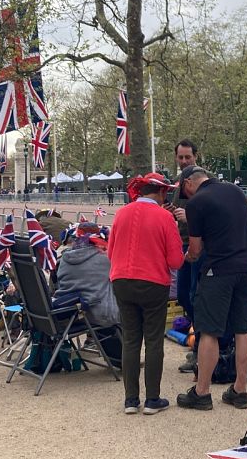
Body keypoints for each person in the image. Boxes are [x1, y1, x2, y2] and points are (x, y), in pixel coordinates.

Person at [174, 165, 247, 411]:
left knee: (209, 329)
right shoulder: (236, 191)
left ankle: (202, 392)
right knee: (244, 327)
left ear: (189, 183)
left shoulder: (197, 203)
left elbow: (196, 249)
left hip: (218, 269)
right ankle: (239, 390)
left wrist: (186, 258)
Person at [108, 173, 183, 415]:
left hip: (122, 279)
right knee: (153, 340)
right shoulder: (164, 217)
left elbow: (110, 252)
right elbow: (175, 261)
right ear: (161, 193)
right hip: (152, 282)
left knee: (130, 339)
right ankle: (152, 399)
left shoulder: (121, 213)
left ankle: (131, 399)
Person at [54, 222, 121, 362]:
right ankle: (121, 360)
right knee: (124, 308)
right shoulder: (105, 259)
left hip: (64, 312)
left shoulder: (64, 258)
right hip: (92, 313)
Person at [171, 139, 201, 373]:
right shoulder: (177, 185)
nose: (183, 161)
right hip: (182, 246)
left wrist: (188, 216)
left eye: (187, 157)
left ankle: (201, 348)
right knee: (183, 295)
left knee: (195, 295)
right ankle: (196, 338)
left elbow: (210, 216)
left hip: (200, 248)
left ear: (195, 157)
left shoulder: (204, 183)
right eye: (180, 157)